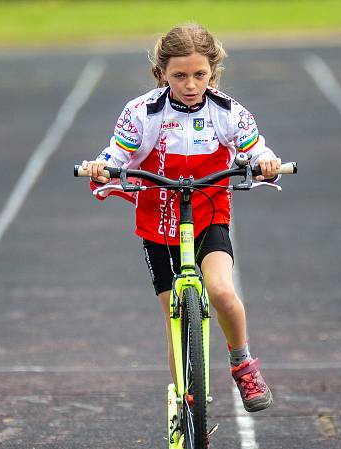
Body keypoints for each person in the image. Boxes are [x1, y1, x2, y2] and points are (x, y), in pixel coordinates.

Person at [82, 23, 278, 412]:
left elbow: (255, 149)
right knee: (176, 323)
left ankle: (243, 364)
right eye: (180, 76)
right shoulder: (141, 112)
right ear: (162, 74)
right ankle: (186, 405)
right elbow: (116, 155)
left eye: (200, 75)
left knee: (222, 291)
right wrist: (100, 166)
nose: (190, 84)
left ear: (213, 72)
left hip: (208, 211)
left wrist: (265, 162)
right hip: (157, 218)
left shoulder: (228, 111)